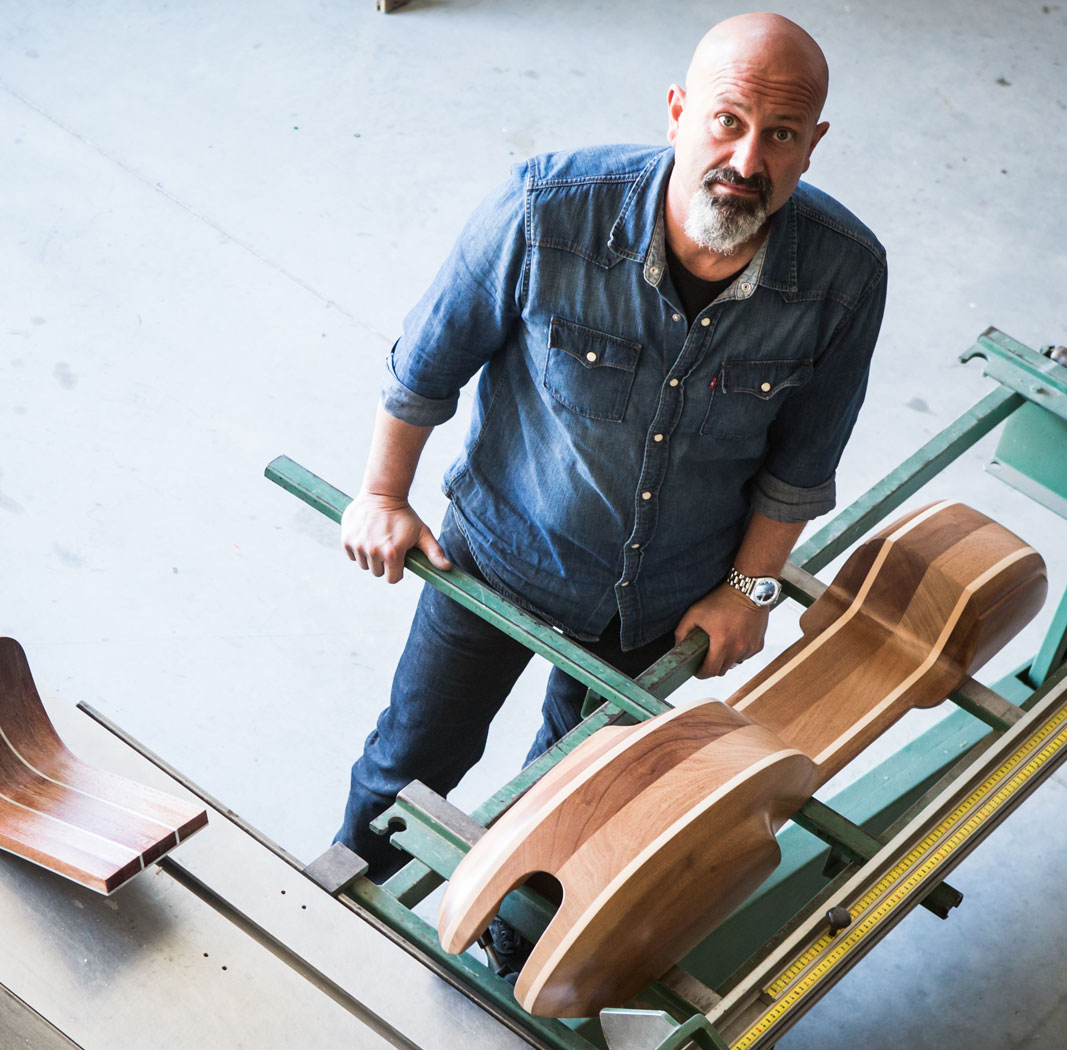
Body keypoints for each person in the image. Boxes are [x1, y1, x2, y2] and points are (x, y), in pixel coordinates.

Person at [335, 12, 887, 884]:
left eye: (780, 136)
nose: (747, 163)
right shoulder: (546, 211)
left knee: (572, 799)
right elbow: (427, 364)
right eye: (727, 121)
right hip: (498, 560)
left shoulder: (844, 275)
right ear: (677, 112)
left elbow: (802, 462)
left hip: (662, 605)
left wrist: (747, 590)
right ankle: (347, 903)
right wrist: (381, 493)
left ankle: (513, 945)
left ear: (812, 145)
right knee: (410, 761)